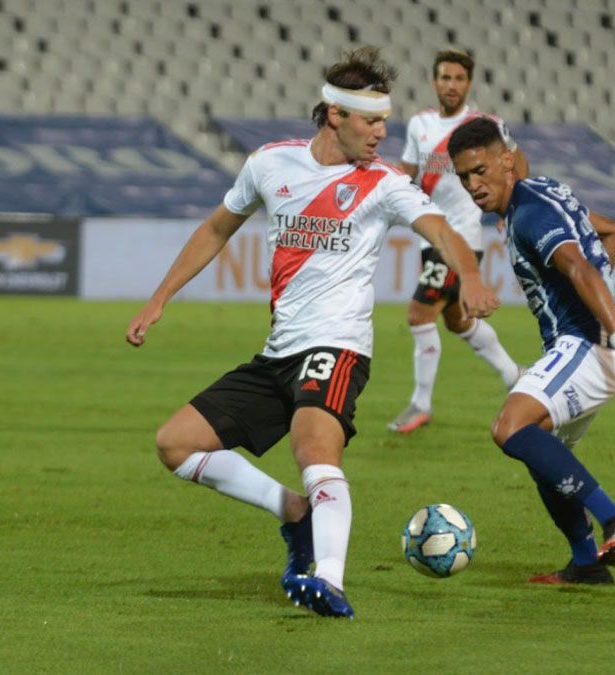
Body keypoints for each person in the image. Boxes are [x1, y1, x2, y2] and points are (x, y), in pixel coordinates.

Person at [126, 47, 499, 617]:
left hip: (338, 345)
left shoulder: (384, 182)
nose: (382, 133)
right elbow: (217, 228)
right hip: (279, 352)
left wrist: (469, 274)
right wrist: (160, 298)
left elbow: (442, 229)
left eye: (384, 121)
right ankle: (294, 512)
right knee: (174, 444)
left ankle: (329, 580)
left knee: (314, 449)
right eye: (371, 121)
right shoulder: (271, 164)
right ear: (335, 115)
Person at [448, 117, 615, 585]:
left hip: (588, 346)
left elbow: (580, 269)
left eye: (480, 171)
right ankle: (586, 565)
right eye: (464, 176)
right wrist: (600, 304)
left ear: (507, 160)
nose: (473, 185)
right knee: (543, 458)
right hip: (590, 347)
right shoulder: (544, 193)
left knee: (509, 427)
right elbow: (610, 233)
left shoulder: (530, 213)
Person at [387, 49, 525, 434]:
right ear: (434, 82)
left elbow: (517, 164)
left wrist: (514, 207)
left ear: (469, 83)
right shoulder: (419, 125)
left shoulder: (485, 127)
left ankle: (420, 404)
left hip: (462, 238)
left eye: (459, 78)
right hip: (429, 237)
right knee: (457, 320)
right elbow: (406, 174)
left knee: (419, 314)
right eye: (445, 77)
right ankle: (514, 375)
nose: (452, 85)